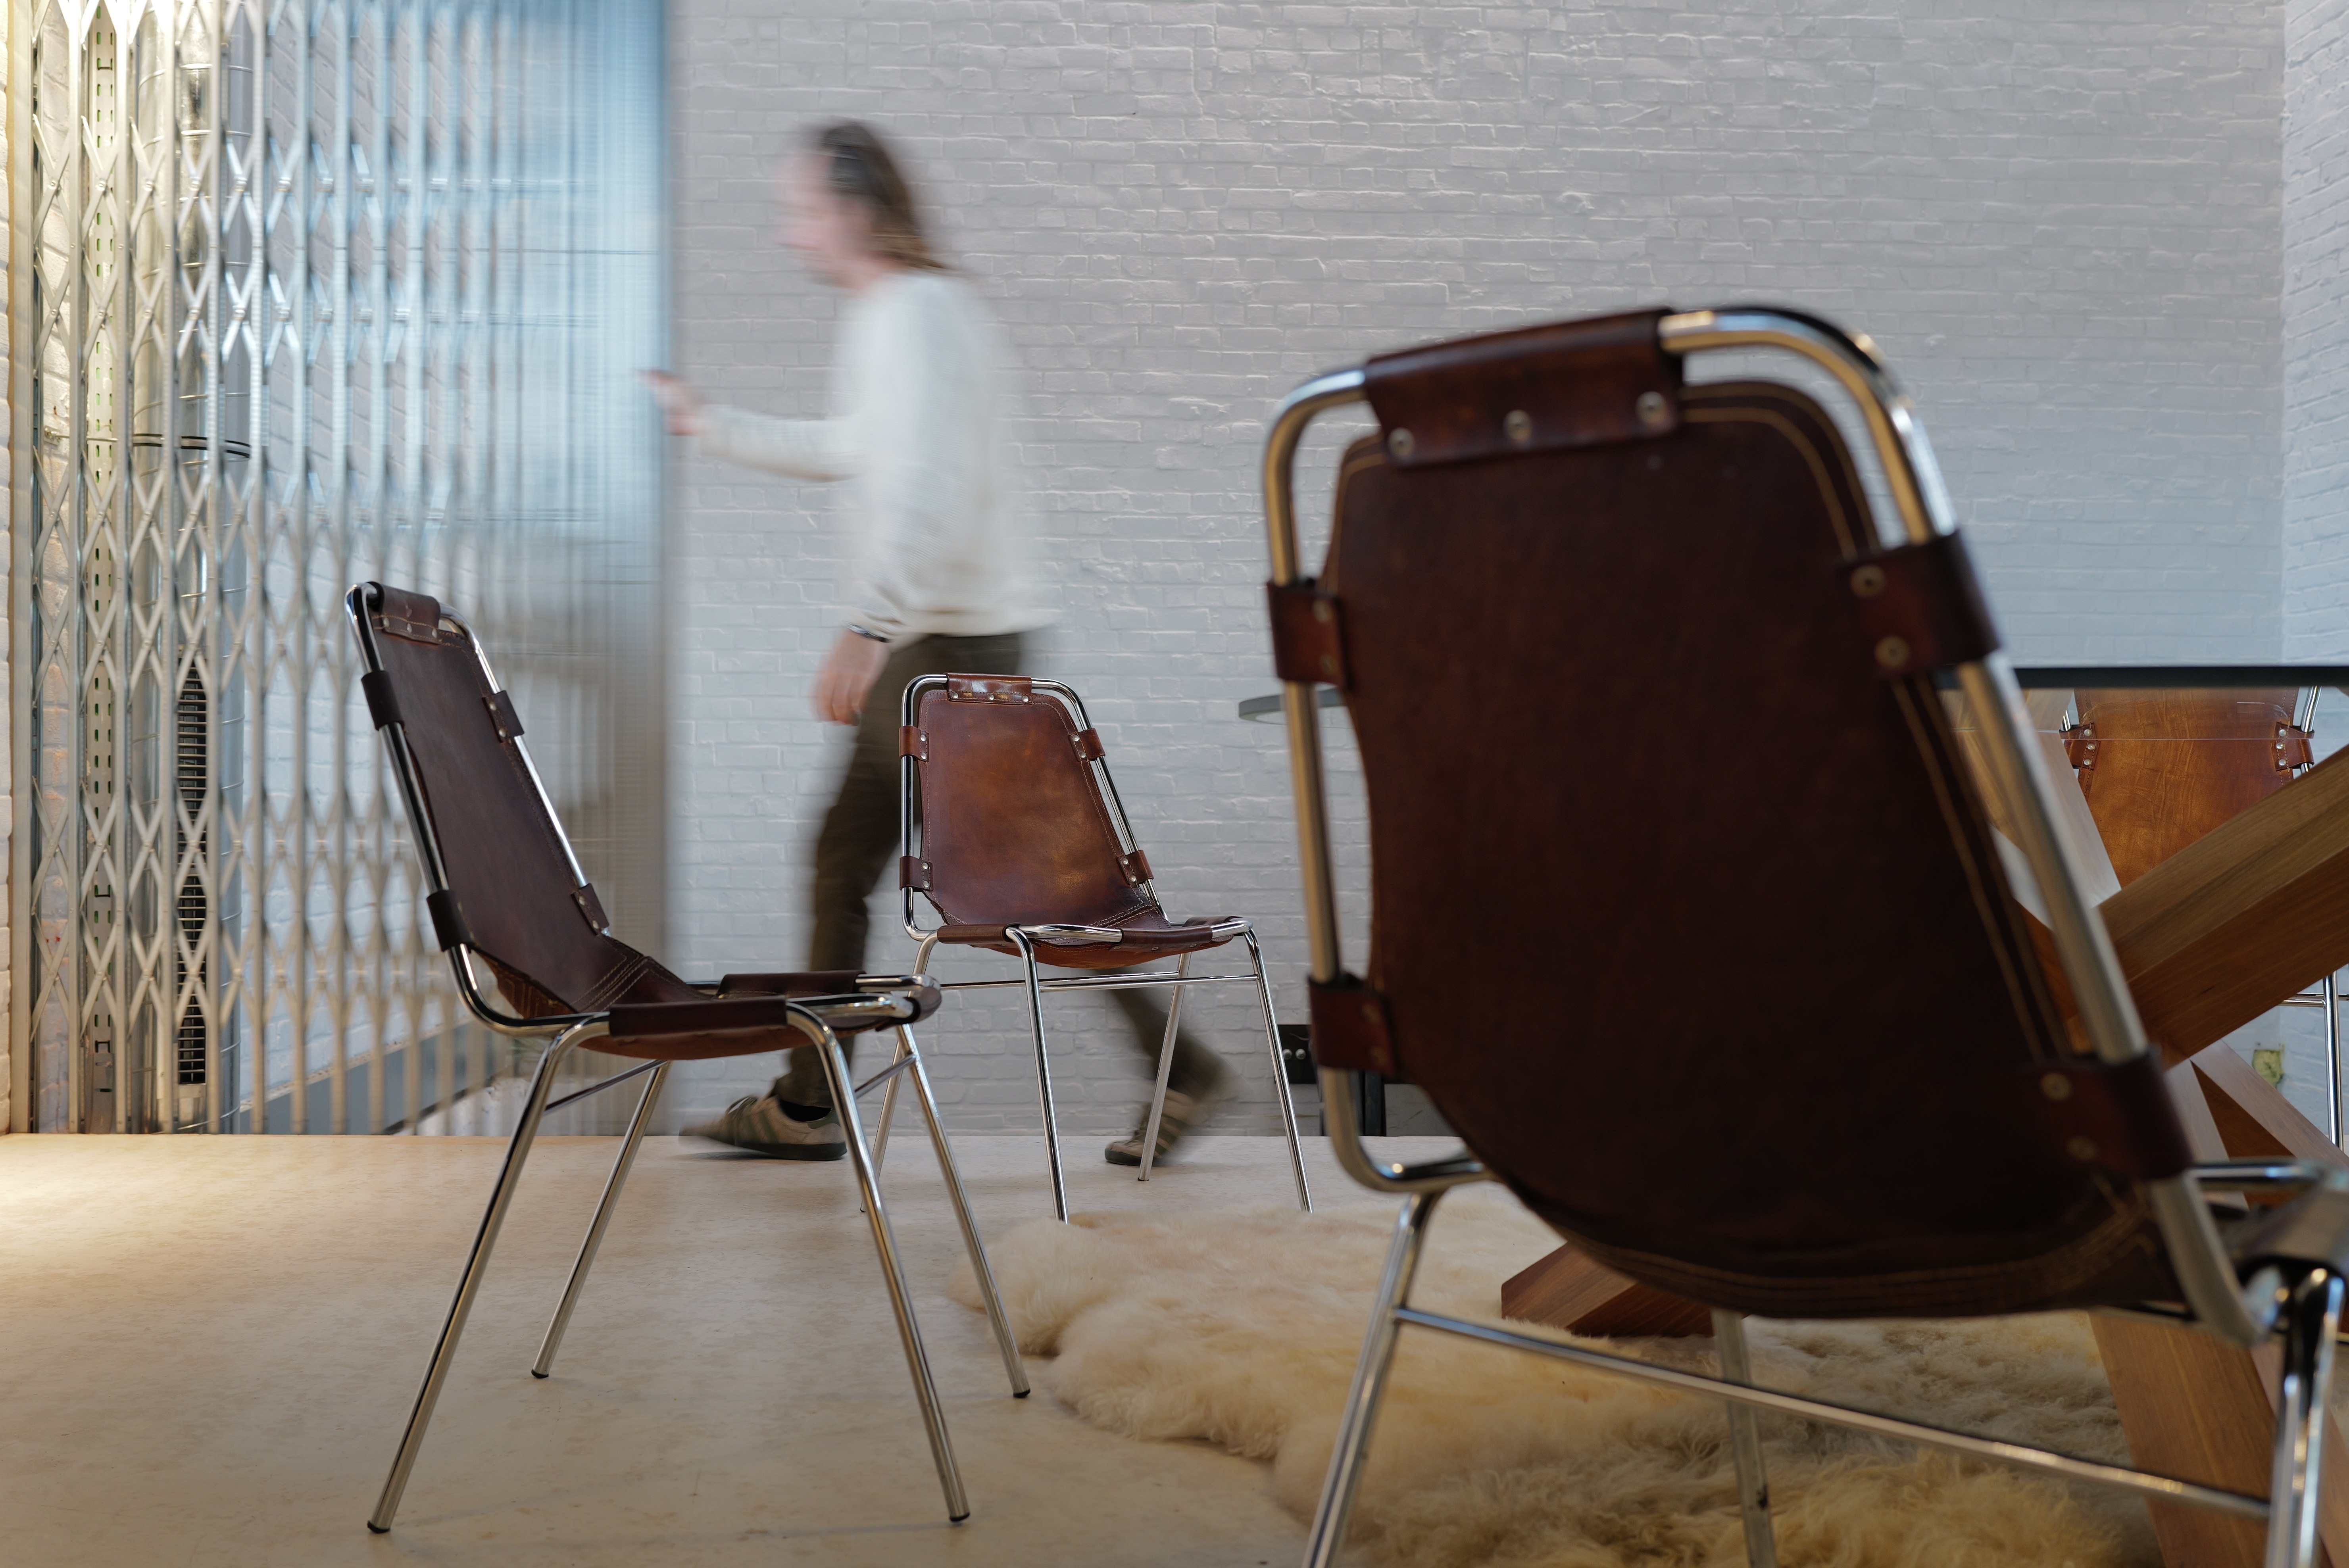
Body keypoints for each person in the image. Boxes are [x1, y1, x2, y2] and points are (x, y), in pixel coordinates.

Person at [652, 121, 1230, 1166]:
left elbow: (927, 491)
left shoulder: (913, 316)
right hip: (949, 638)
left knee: (1014, 882)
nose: (790, 237)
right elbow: (854, 451)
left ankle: (816, 1101)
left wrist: (871, 625)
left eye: (802, 212)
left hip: (939, 647)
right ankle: (809, 1099)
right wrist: (712, 424)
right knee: (853, 859)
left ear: (857, 212)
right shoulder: (905, 316)